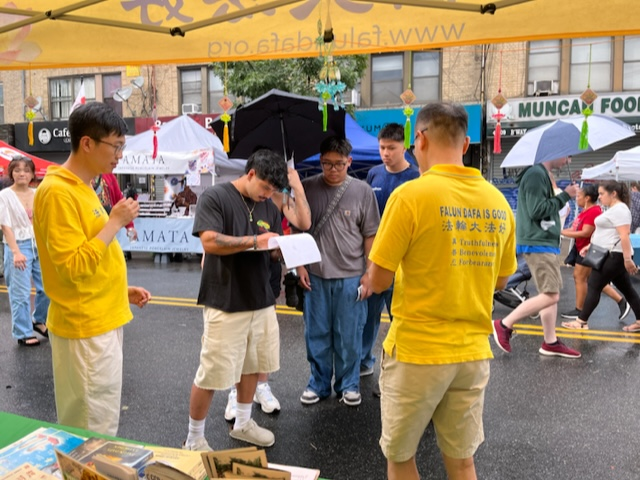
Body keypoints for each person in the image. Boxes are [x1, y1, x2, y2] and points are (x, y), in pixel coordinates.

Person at [368, 102, 517, 480]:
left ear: (419, 139)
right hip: (472, 353)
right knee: (462, 460)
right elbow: (502, 281)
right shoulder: (498, 202)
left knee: (401, 456)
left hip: (417, 351)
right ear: (465, 144)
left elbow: (379, 280)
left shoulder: (410, 196)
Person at [33, 102, 152, 435]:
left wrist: (119, 290)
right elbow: (72, 266)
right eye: (115, 146)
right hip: (85, 327)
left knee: (99, 421)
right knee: (91, 429)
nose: (119, 155)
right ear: (87, 143)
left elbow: (88, 255)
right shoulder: (58, 191)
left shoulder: (81, 187)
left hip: (99, 319)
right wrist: (115, 221)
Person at [184, 149, 289, 451]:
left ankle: (243, 422)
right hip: (225, 299)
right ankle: (194, 438)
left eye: (273, 190)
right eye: (265, 187)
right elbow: (209, 241)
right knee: (212, 372)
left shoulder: (268, 206)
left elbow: (268, 247)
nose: (267, 194)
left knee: (254, 365)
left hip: (261, 298)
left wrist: (280, 249)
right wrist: (256, 241)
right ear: (251, 174)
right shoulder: (216, 197)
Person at [296, 136, 380, 407]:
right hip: (316, 275)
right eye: (327, 164)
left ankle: (349, 384)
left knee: (350, 334)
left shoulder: (363, 191)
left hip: (351, 276)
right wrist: (300, 266)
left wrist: (369, 272)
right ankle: (318, 383)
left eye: (339, 164)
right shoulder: (307, 188)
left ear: (349, 162)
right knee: (316, 333)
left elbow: (370, 235)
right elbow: (299, 229)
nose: (333, 170)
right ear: (320, 161)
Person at [223, 166, 311, 422]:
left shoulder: (278, 197)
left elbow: (304, 222)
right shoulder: (232, 196)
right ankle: (235, 391)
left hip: (267, 270)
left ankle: (261, 386)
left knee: (263, 336)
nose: (268, 190)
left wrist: (297, 186)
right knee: (238, 336)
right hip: (236, 273)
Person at [492, 156, 581, 358]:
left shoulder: (541, 174)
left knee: (549, 294)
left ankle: (550, 341)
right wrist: (565, 195)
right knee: (551, 295)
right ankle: (504, 324)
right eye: (567, 156)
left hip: (544, 241)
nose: (568, 161)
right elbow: (537, 210)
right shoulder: (535, 174)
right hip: (539, 241)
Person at [361, 123, 419, 387]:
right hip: (376, 259)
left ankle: (402, 369)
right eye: (382, 147)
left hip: (405, 263)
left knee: (401, 319)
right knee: (368, 317)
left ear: (404, 147)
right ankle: (364, 361)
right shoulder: (373, 174)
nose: (385, 153)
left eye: (391, 148)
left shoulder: (416, 177)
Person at [561, 181, 640, 332]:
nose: (600, 197)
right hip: (610, 253)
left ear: (613, 194)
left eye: (602, 194)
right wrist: (590, 246)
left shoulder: (620, 210)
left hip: (614, 255)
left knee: (594, 285)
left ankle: (581, 321)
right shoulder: (613, 209)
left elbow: (624, 235)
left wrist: (627, 259)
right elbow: (606, 233)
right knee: (627, 289)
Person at [0, 157, 50, 346]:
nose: (22, 174)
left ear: (32, 174)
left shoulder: (38, 193)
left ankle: (39, 319)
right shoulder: (5, 195)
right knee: (20, 292)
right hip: (18, 244)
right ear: (11, 173)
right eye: (17, 170)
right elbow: (5, 225)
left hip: (39, 244)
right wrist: (15, 252)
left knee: (48, 287)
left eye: (26, 170)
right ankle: (23, 331)